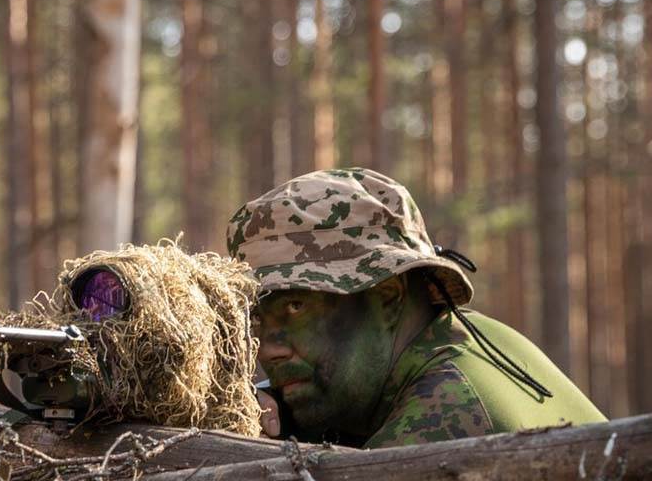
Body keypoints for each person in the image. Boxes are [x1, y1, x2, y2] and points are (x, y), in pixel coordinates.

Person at [227, 167, 606, 448]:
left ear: (388, 296)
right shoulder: (468, 338)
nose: (268, 349)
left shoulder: (445, 411)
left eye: (295, 307)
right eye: (258, 320)